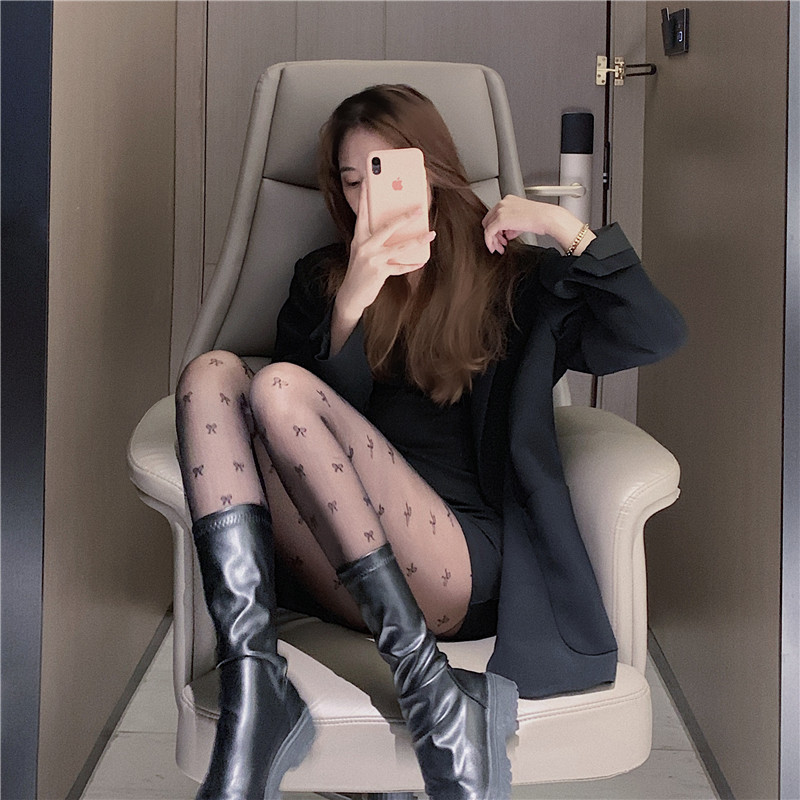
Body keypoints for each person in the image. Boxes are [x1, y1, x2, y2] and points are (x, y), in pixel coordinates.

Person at [175, 84, 687, 800]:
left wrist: (559, 228)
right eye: (352, 182)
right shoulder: (323, 280)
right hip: (336, 557)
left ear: (433, 169)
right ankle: (256, 688)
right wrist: (352, 301)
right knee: (212, 374)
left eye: (384, 172)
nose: (367, 196)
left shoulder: (514, 278)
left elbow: (654, 333)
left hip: (459, 560)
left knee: (280, 387)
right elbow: (287, 441)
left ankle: (430, 692)